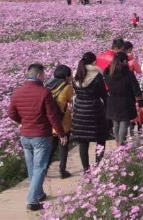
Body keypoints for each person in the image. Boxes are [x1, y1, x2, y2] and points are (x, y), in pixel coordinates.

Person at [8, 63, 67, 211]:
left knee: (32, 167)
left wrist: (25, 122)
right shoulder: (44, 92)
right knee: (40, 167)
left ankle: (39, 193)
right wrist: (61, 133)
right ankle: (32, 201)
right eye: (44, 74)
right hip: (41, 135)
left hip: (26, 135)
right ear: (39, 75)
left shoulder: (17, 92)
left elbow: (11, 113)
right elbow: (52, 116)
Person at [71, 53, 107, 173]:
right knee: (100, 138)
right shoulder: (97, 75)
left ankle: (86, 169)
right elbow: (103, 94)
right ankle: (98, 165)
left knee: (83, 141)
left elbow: (75, 91)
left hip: (79, 110)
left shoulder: (75, 74)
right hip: (94, 110)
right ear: (94, 62)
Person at [104, 52, 143, 146]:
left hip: (112, 100)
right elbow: (136, 88)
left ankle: (118, 141)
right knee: (124, 122)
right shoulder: (128, 74)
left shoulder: (108, 73)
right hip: (126, 101)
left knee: (116, 121)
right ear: (125, 61)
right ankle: (121, 145)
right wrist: (140, 100)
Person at [44, 65, 74, 179]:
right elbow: (72, 100)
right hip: (63, 121)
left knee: (52, 146)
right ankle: (62, 170)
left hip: (51, 122)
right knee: (64, 145)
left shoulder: (47, 85)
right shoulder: (67, 87)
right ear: (66, 76)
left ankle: (45, 168)